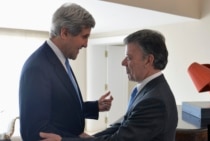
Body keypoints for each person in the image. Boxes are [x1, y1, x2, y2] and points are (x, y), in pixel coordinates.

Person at [39, 29, 178, 141]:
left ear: (148, 60)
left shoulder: (154, 101)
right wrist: (92, 138)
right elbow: (123, 125)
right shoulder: (147, 90)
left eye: (129, 58)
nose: (123, 63)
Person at [19, 3, 113, 141]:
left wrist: (94, 107)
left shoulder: (62, 60)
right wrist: (78, 139)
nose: (86, 44)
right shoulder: (37, 68)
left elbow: (60, 108)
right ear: (64, 33)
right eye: (84, 36)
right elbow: (35, 131)